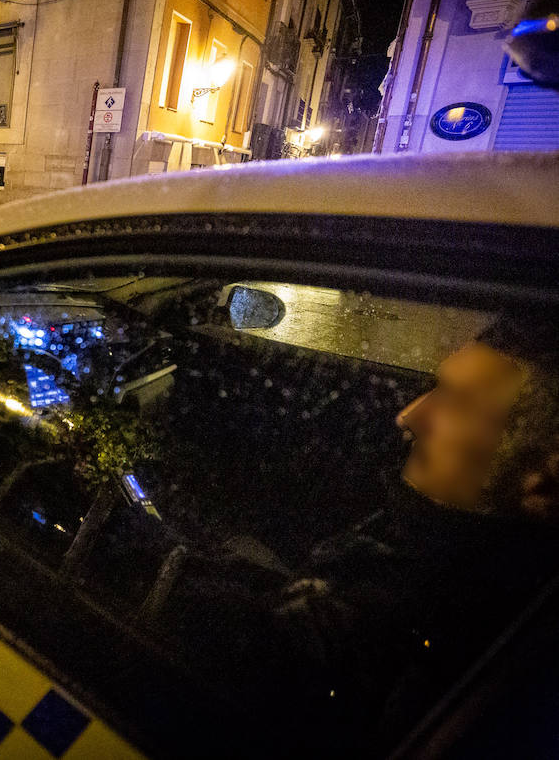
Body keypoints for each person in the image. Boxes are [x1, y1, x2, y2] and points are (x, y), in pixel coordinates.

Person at [162, 317, 559, 750]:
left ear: (545, 475)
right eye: (434, 389)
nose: (408, 416)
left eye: (457, 403)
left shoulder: (456, 618)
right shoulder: (418, 542)